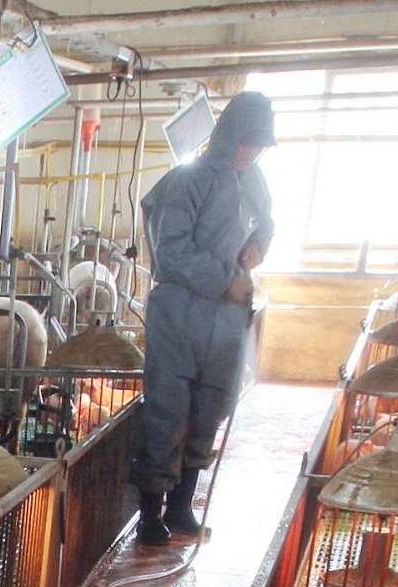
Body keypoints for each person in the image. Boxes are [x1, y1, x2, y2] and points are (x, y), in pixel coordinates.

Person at [132, 91, 276, 547]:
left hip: (226, 317)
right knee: (168, 409)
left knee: (210, 407)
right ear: (228, 135)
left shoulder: (253, 180)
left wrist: (258, 248)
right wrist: (223, 280)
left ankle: (181, 505)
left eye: (258, 146)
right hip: (180, 313)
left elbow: (267, 222)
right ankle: (150, 514)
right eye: (246, 143)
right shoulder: (188, 181)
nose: (250, 152)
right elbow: (171, 252)